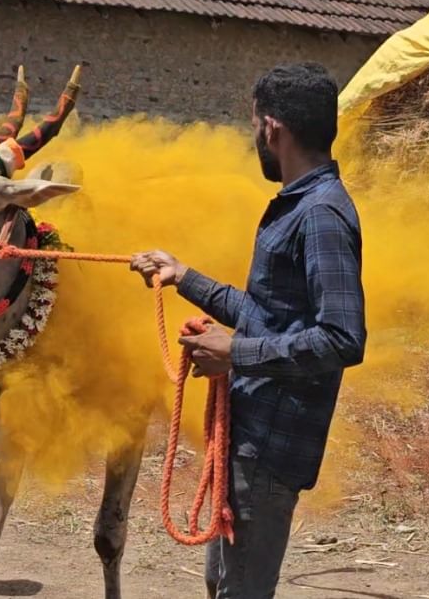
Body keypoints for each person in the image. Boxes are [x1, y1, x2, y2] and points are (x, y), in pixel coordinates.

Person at [130, 63, 366, 598]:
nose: (253, 134)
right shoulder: (300, 204)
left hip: (271, 445)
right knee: (224, 584)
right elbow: (269, 313)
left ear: (273, 130)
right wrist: (183, 277)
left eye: (253, 122)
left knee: (241, 592)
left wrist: (237, 354)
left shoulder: (322, 215)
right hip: (250, 433)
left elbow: (343, 338)